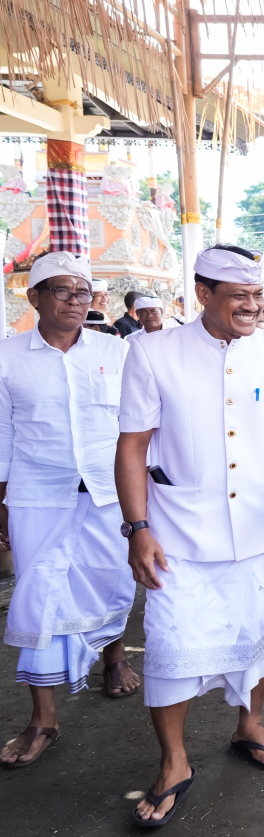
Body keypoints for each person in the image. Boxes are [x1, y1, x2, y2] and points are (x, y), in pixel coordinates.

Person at [117, 245, 264, 827]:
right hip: (178, 534)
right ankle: (174, 762)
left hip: (256, 530)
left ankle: (249, 726)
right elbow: (133, 446)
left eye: (258, 295)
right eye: (240, 296)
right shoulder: (153, 351)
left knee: (255, 633)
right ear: (203, 293)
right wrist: (137, 528)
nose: (253, 306)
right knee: (169, 646)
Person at [0, 253, 138, 770]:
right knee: (37, 594)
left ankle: (114, 657)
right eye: (63, 291)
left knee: (111, 579)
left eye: (83, 292)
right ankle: (43, 718)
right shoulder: (7, 357)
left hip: (108, 490)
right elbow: (2, 434)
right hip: (37, 493)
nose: (76, 301)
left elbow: (137, 425)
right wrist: (1, 501)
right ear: (34, 297)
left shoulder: (116, 351)